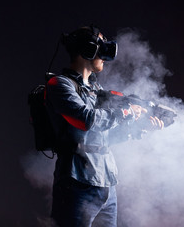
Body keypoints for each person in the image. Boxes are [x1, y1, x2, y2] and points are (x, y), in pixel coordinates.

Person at [45, 25, 163, 227]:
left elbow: (104, 136)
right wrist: (126, 112)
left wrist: (137, 130)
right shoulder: (59, 85)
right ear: (87, 49)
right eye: (99, 47)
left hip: (106, 183)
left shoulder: (95, 89)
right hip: (76, 183)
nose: (104, 55)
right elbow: (87, 120)